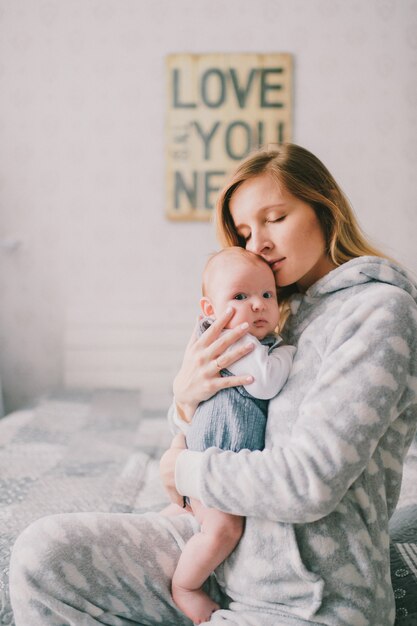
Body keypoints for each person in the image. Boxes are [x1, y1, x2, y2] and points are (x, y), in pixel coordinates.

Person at [8, 143, 417, 626]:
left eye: (275, 218)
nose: (257, 243)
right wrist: (184, 397)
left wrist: (184, 469)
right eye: (245, 231)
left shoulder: (378, 311)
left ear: (324, 207)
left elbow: (310, 481)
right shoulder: (276, 311)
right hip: (230, 556)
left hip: (306, 601)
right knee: (44, 555)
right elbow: (217, 418)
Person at [169, 247, 295, 624]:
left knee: (208, 523)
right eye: (240, 297)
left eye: (267, 295)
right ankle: (185, 587)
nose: (257, 305)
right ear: (210, 310)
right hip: (210, 464)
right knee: (224, 529)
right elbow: (266, 383)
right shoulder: (234, 340)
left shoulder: (243, 338)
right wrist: (289, 353)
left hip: (214, 463)